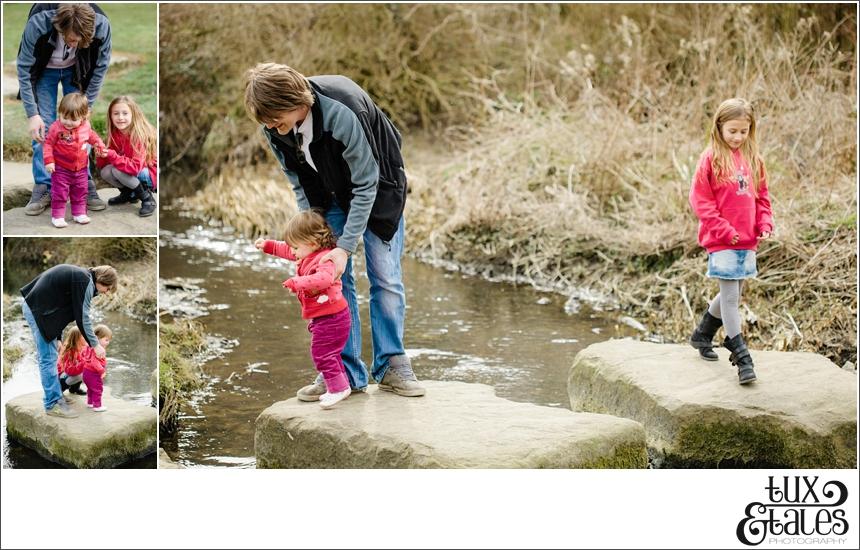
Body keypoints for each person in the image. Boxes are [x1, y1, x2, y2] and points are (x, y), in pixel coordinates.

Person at [244, 63, 425, 399]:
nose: (269, 126)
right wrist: (313, 228)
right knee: (334, 278)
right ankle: (342, 372)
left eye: (273, 116)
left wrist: (344, 248)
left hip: (379, 188)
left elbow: (366, 182)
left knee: (385, 276)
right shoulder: (275, 129)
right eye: (265, 120)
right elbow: (299, 182)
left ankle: (392, 365)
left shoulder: (342, 110)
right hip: (329, 196)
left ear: (293, 100)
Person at [688, 98, 774, 385]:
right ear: (719, 127)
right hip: (721, 238)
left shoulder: (754, 160)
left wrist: (764, 223)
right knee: (730, 298)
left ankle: (702, 334)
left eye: (744, 131)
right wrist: (723, 230)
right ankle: (741, 355)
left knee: (732, 294)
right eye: (732, 131)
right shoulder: (711, 158)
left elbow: (762, 198)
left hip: (747, 239)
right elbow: (700, 201)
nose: (738, 137)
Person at [16, 3, 111, 216]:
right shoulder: (39, 21)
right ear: (60, 26)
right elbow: (23, 67)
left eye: (79, 41)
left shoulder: (101, 25)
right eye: (70, 38)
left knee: (80, 126)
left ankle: (83, 184)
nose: (74, 43)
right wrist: (33, 114)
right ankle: (44, 187)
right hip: (43, 71)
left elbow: (101, 66)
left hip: (75, 69)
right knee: (45, 128)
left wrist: (88, 104)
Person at [255, 210, 352, 408]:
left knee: (322, 354)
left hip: (332, 318)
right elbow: (286, 250)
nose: (293, 252)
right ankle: (341, 385)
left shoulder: (326, 259)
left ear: (312, 243)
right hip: (324, 317)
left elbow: (324, 279)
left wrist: (298, 282)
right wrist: (268, 245)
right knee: (329, 354)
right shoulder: (307, 252)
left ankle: (338, 389)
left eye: (296, 248)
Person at [20, 263, 117, 418]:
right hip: (37, 310)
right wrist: (95, 344)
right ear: (103, 280)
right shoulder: (84, 281)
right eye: (108, 288)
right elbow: (82, 318)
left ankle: (56, 396)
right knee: (48, 358)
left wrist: (58, 337)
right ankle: (52, 404)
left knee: (50, 356)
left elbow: (59, 308)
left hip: (43, 310)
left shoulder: (82, 278)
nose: (106, 292)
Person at [43, 92, 106, 228]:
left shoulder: (85, 127)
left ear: (83, 117)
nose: (68, 122)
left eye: (73, 119)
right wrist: (49, 161)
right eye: (64, 117)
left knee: (81, 190)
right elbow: (48, 144)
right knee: (60, 192)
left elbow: (92, 136)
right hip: (60, 168)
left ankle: (79, 213)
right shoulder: (56, 128)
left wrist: (99, 145)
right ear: (59, 112)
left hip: (81, 168)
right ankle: (58, 216)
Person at [97, 95, 158, 217]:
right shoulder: (115, 134)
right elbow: (103, 165)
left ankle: (147, 198)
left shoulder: (139, 135)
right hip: (132, 173)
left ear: (133, 114)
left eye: (125, 113)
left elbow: (135, 167)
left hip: (149, 175)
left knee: (117, 169)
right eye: (116, 113)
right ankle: (129, 194)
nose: (120, 117)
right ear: (110, 116)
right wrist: (102, 154)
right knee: (106, 172)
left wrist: (112, 155)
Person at [81, 324, 111, 412]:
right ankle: (97, 406)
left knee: (90, 388)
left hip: (86, 372)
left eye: (109, 340)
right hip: (93, 373)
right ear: (97, 338)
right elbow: (94, 362)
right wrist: (101, 370)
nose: (108, 342)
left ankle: (90, 403)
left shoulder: (89, 347)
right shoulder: (97, 349)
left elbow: (83, 355)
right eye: (106, 340)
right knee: (98, 389)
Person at [57, 326, 89, 396]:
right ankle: (59, 391)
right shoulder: (68, 351)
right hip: (62, 374)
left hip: (71, 372)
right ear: (76, 339)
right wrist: (84, 363)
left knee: (87, 371)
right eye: (84, 336)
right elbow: (70, 371)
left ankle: (74, 389)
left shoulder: (83, 347)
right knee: (81, 374)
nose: (87, 337)